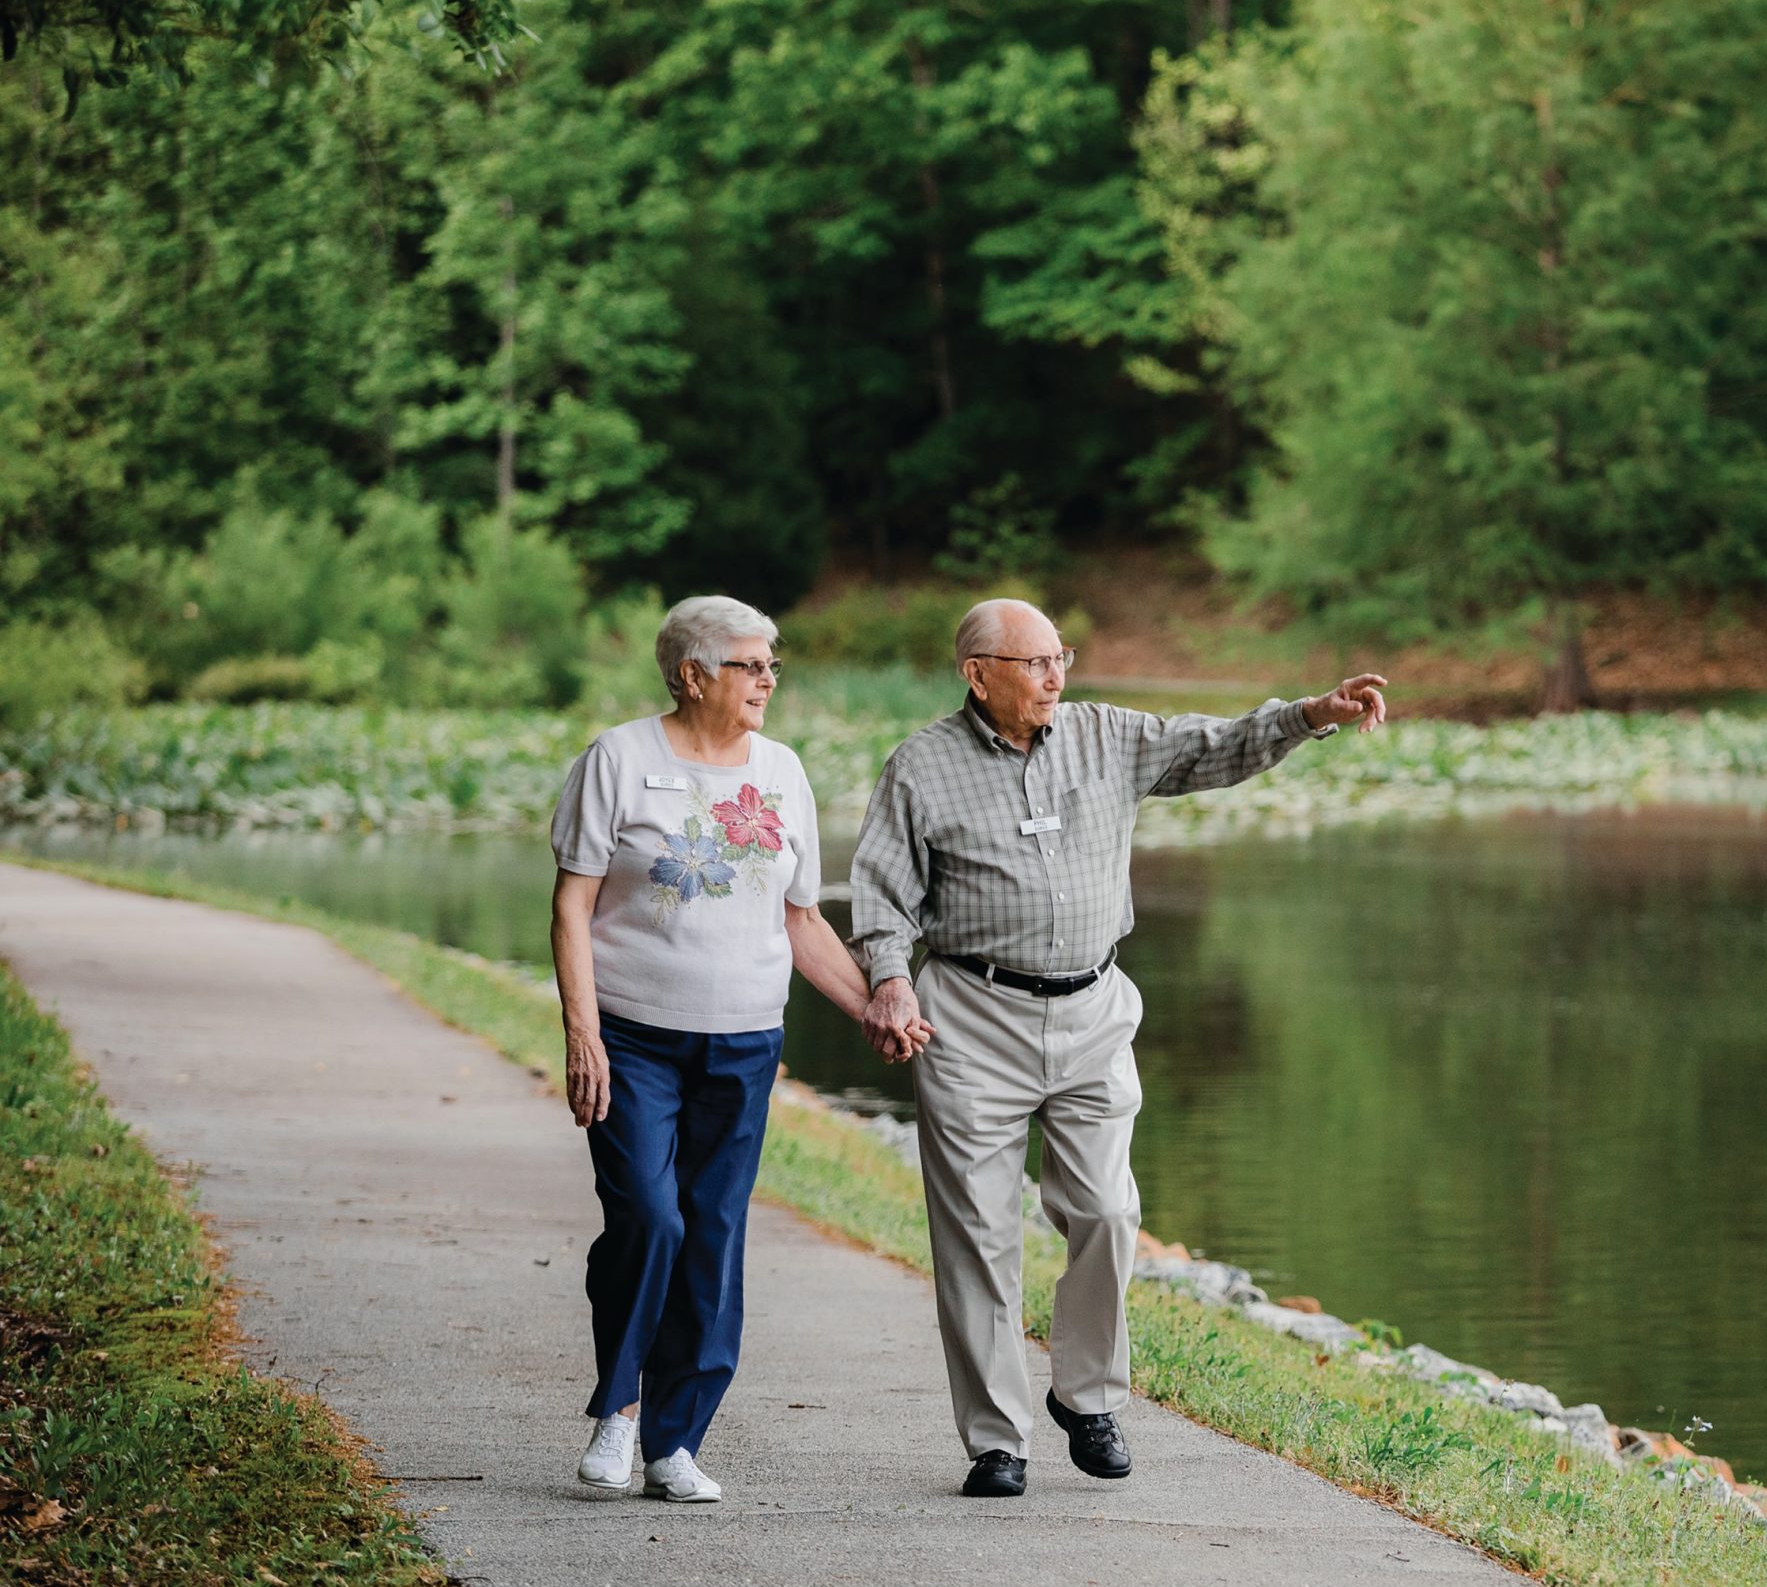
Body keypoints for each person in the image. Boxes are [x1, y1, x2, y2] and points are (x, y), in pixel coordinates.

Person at [847, 598, 1386, 1497]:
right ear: (978, 673)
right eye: (1035, 662)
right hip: (973, 1015)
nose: (1056, 675)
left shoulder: (1107, 736)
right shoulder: (921, 768)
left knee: (1106, 1209)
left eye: (1062, 656)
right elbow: (880, 899)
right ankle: (997, 1441)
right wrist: (891, 980)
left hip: (1094, 1010)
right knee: (979, 1233)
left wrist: (1310, 715)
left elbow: (1212, 747)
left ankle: (1086, 1393)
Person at [549, 595, 922, 1503]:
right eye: (751, 665)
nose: (768, 680)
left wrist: (874, 1002)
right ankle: (622, 1410)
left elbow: (800, 919)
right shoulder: (620, 760)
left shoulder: (783, 770)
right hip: (633, 1036)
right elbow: (572, 906)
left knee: (712, 1233)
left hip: (745, 1041)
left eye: (772, 665)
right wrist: (583, 1034)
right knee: (650, 1216)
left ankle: (677, 1439)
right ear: (692, 674)